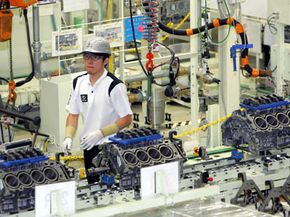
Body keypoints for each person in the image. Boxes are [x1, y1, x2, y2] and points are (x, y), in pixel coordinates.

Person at [62, 37, 132, 183]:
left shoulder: (114, 86)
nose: (90, 61)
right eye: (87, 57)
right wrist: (68, 136)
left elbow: (126, 118)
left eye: (95, 57)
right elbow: (73, 114)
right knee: (93, 188)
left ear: (106, 60)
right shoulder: (79, 82)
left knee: (111, 189)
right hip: (89, 146)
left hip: (111, 146)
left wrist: (101, 133)